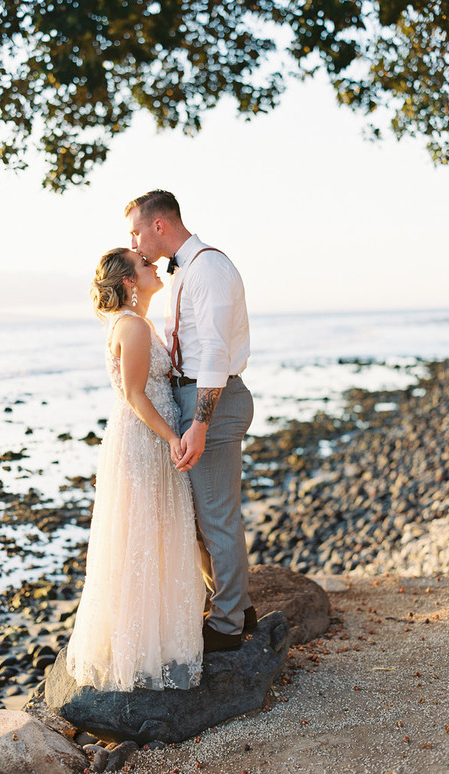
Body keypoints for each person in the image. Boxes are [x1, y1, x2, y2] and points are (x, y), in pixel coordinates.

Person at [66, 248, 204, 691]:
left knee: (148, 538)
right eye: (144, 264)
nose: (154, 266)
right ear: (128, 281)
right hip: (146, 439)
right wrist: (171, 438)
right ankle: (144, 654)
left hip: (142, 436)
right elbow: (135, 394)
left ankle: (153, 645)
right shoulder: (132, 326)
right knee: (148, 537)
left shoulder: (132, 323)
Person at [125, 190, 256, 654]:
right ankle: (238, 607)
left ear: (159, 225)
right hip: (193, 399)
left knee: (217, 517)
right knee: (203, 518)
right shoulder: (184, 272)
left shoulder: (210, 269)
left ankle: (226, 626)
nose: (136, 242)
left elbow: (216, 354)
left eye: (137, 231)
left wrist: (199, 423)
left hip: (212, 402)